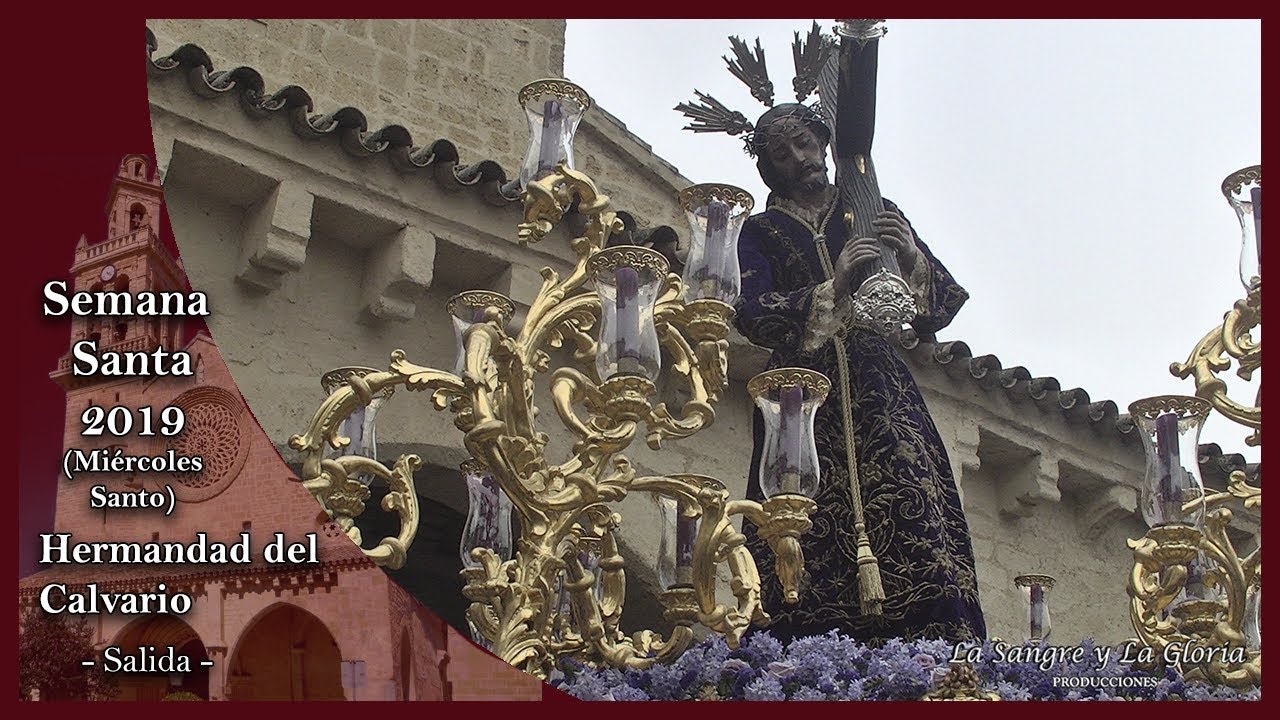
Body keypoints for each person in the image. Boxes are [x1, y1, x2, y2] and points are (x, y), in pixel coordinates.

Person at [734, 100, 987, 645]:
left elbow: (937, 308)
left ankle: (935, 644)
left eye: (804, 143)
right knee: (799, 513)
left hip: (881, 387)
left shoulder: (869, 209)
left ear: (824, 143)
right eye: (782, 153)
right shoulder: (759, 232)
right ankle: (805, 651)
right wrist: (834, 286)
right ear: (770, 167)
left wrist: (911, 257)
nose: (799, 158)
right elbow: (752, 310)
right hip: (800, 397)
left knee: (909, 499)